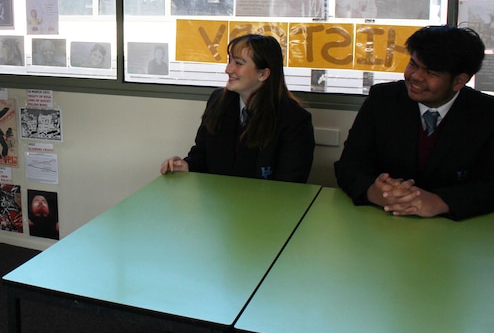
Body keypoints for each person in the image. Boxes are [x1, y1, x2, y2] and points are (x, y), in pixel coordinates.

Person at [335, 25, 494, 220]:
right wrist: (373, 192)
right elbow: (349, 165)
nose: (415, 77)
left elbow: (489, 184)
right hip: (382, 222)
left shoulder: (486, 114)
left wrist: (441, 201)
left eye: (431, 72)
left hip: (457, 233)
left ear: (459, 81)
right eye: (413, 64)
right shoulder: (382, 99)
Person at [160, 34, 314, 183]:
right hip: (218, 203)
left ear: (263, 74)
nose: (228, 69)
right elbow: (202, 154)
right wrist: (187, 165)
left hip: (265, 205)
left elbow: (290, 183)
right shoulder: (218, 101)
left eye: (238, 63)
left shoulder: (294, 119)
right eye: (230, 61)